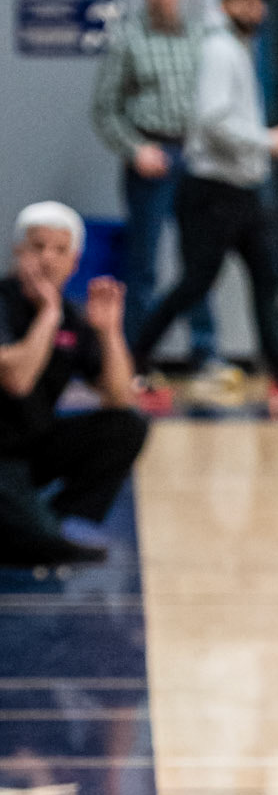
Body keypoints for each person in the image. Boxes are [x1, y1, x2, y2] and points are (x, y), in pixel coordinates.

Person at [130, 0, 278, 410]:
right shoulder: (220, 50)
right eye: (246, 1)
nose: (256, 9)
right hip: (214, 191)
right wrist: (268, 141)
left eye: (260, 2)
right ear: (227, 3)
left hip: (242, 190)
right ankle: (134, 358)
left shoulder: (236, 48)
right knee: (196, 282)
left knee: (266, 276)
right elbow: (213, 120)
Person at [91, 0, 226, 389]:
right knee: (144, 264)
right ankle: (137, 357)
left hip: (197, 159)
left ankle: (205, 352)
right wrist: (135, 150)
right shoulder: (128, 37)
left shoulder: (202, 36)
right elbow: (105, 109)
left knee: (199, 260)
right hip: (152, 158)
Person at [0, 203, 146, 568]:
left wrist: (109, 332)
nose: (47, 258)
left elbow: (120, 397)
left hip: (33, 446)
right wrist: (48, 315)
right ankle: (34, 525)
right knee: (36, 547)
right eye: (37, 247)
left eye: (59, 250)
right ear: (18, 252)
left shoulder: (74, 318)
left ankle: (60, 519)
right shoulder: (5, 302)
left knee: (127, 426)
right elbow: (17, 380)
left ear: (74, 262)